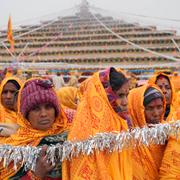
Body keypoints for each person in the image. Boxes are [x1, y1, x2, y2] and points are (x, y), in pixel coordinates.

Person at [63, 67, 132, 180]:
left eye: (126, 95)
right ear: (105, 94)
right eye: (120, 95)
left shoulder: (121, 121)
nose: (125, 102)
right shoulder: (84, 127)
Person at [1, 78, 69, 179]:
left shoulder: (72, 137)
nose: (43, 114)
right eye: (35, 109)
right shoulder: (12, 146)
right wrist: (35, 175)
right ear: (26, 116)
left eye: (48, 107)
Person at [128, 84, 166, 179]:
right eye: (150, 108)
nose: (156, 113)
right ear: (137, 110)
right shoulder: (126, 139)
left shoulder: (169, 133)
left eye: (159, 107)